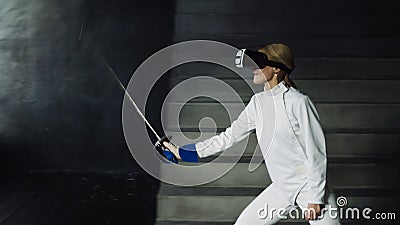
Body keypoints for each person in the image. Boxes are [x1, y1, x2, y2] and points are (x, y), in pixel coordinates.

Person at [163, 44, 342, 225]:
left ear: (276, 68)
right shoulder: (258, 103)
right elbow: (229, 137)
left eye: (259, 63)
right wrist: (183, 152)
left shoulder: (299, 102)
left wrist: (316, 197)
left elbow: (316, 152)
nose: (253, 68)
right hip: (282, 188)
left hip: (308, 186)